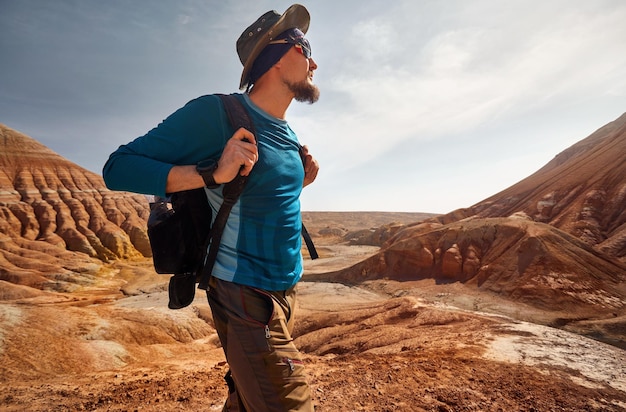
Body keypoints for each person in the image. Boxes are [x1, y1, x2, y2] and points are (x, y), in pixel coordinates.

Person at [102, 4, 319, 411]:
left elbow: (260, 197)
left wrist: (301, 181)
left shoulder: (287, 133)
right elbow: (118, 168)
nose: (315, 62)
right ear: (274, 56)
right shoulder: (217, 113)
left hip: (286, 291)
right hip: (246, 294)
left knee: (246, 400)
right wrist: (210, 174)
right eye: (304, 47)